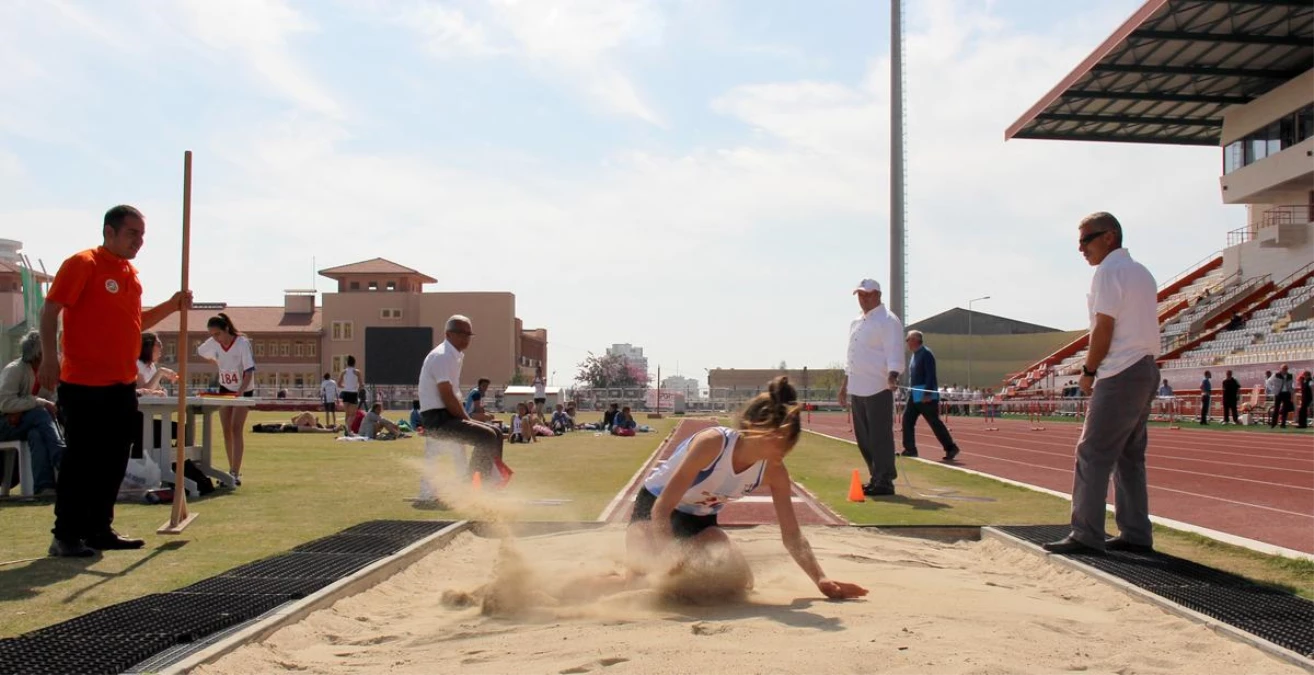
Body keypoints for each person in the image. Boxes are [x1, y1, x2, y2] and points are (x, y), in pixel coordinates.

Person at [626, 376, 868, 600]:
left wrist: (820, 578)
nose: (782, 450)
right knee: (647, 583)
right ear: (753, 426)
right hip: (655, 510)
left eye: (788, 443)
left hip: (699, 522)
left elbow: (792, 535)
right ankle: (614, 578)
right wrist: (670, 557)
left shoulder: (774, 470)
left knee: (740, 583)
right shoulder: (712, 444)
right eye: (777, 439)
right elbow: (662, 509)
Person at [39, 204, 190, 557]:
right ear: (109, 231)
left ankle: (99, 529)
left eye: (142, 235)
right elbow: (50, 310)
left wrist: (172, 305)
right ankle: (66, 535)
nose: (139, 241)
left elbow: (137, 321)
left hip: (121, 384)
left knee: (114, 459)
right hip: (83, 383)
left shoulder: (130, 274)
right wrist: (49, 357)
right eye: (131, 233)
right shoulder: (83, 263)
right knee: (82, 460)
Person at [1044, 212, 1159, 555]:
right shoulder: (1141, 272)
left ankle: (1086, 533)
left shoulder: (1108, 272)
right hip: (1145, 367)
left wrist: (1089, 371)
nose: (1081, 249)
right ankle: (1136, 532)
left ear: (1109, 236)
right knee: (1129, 456)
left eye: (1086, 239)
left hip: (1120, 370)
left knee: (1092, 453)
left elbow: (1104, 328)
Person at [838, 278, 904, 497]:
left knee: (880, 436)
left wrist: (893, 375)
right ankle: (875, 476)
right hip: (857, 386)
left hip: (878, 386)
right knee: (864, 437)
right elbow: (851, 356)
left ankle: (885, 480)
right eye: (860, 295)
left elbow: (894, 351)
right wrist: (844, 384)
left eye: (867, 294)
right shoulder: (856, 322)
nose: (863, 299)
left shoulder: (888, 320)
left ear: (878, 295)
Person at [417, 315, 504, 480]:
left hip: (446, 416)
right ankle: (473, 485)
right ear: (448, 334)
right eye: (461, 333)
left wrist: (466, 419)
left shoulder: (455, 355)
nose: (466, 338)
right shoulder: (442, 356)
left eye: (468, 334)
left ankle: (491, 483)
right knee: (486, 437)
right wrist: (466, 419)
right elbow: (447, 395)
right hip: (437, 419)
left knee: (496, 433)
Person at [0, 330, 65, 496]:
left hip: (28, 422)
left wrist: (29, 408)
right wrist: (36, 402)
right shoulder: (14, 370)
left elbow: (53, 399)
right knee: (40, 413)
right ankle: (60, 457)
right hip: (5, 424)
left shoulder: (46, 372)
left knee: (36, 433)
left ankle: (44, 487)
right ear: (38, 354)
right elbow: (4, 403)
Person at [196, 313, 255, 485]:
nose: (216, 338)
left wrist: (240, 392)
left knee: (236, 428)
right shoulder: (215, 343)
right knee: (226, 429)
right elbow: (201, 351)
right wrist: (216, 360)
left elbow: (249, 370)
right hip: (225, 388)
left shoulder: (242, 343)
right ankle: (231, 471)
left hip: (243, 390)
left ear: (226, 329)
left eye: (218, 334)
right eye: (212, 335)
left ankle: (235, 472)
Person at [901, 330, 960, 462]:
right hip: (914, 393)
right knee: (907, 420)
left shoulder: (926, 354)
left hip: (925, 394)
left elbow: (930, 375)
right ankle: (910, 449)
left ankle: (951, 447)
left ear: (916, 340)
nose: (906, 342)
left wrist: (928, 393)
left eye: (908, 339)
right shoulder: (914, 355)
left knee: (934, 422)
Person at [338, 355, 361, 434]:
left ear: (347, 363)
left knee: (347, 414)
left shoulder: (343, 372)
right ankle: (348, 428)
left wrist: (345, 387)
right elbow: (361, 384)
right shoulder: (357, 372)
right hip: (353, 393)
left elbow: (339, 384)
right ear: (354, 363)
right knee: (353, 414)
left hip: (345, 393)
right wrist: (357, 389)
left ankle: (347, 429)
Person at [1270, 365, 1294, 429]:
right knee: (1276, 409)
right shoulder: (1276, 375)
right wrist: (1273, 389)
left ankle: (1283, 424)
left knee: (1285, 409)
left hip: (1287, 393)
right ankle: (1273, 424)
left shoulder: (1290, 376)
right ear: (1280, 369)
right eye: (1283, 368)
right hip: (1278, 393)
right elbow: (1269, 382)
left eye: (1286, 369)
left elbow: (1292, 384)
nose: (1285, 370)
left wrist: (1292, 392)